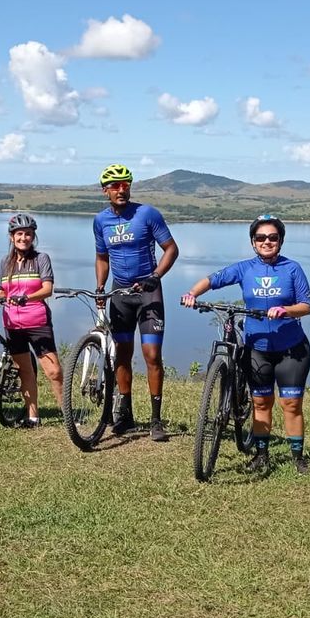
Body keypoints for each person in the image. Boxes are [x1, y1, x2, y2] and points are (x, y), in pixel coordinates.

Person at [181, 215, 310, 474]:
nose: (267, 242)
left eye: (273, 237)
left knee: (291, 404)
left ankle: (298, 458)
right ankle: (261, 455)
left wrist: (286, 310)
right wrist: (192, 294)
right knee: (261, 402)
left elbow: (306, 306)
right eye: (261, 237)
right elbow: (213, 279)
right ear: (253, 242)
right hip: (256, 349)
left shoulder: (292, 269)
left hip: (292, 349)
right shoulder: (245, 268)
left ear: (280, 241)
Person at [92, 163, 180, 442]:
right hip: (120, 293)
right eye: (115, 186)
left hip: (148, 293)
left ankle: (156, 420)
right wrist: (100, 287)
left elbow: (171, 249)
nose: (121, 190)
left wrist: (155, 276)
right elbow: (102, 257)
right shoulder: (100, 221)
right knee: (122, 354)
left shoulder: (147, 214)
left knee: (152, 355)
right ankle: (125, 416)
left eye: (126, 184)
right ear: (105, 191)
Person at [0, 213, 63, 428]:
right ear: (11, 237)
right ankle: (33, 417)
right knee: (25, 371)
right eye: (19, 234)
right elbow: (2, 290)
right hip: (12, 324)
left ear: (33, 237)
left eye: (28, 234)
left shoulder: (41, 259)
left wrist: (26, 297)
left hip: (38, 322)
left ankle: (69, 415)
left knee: (54, 372)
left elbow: (47, 289)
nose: (23, 238)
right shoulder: (5, 262)